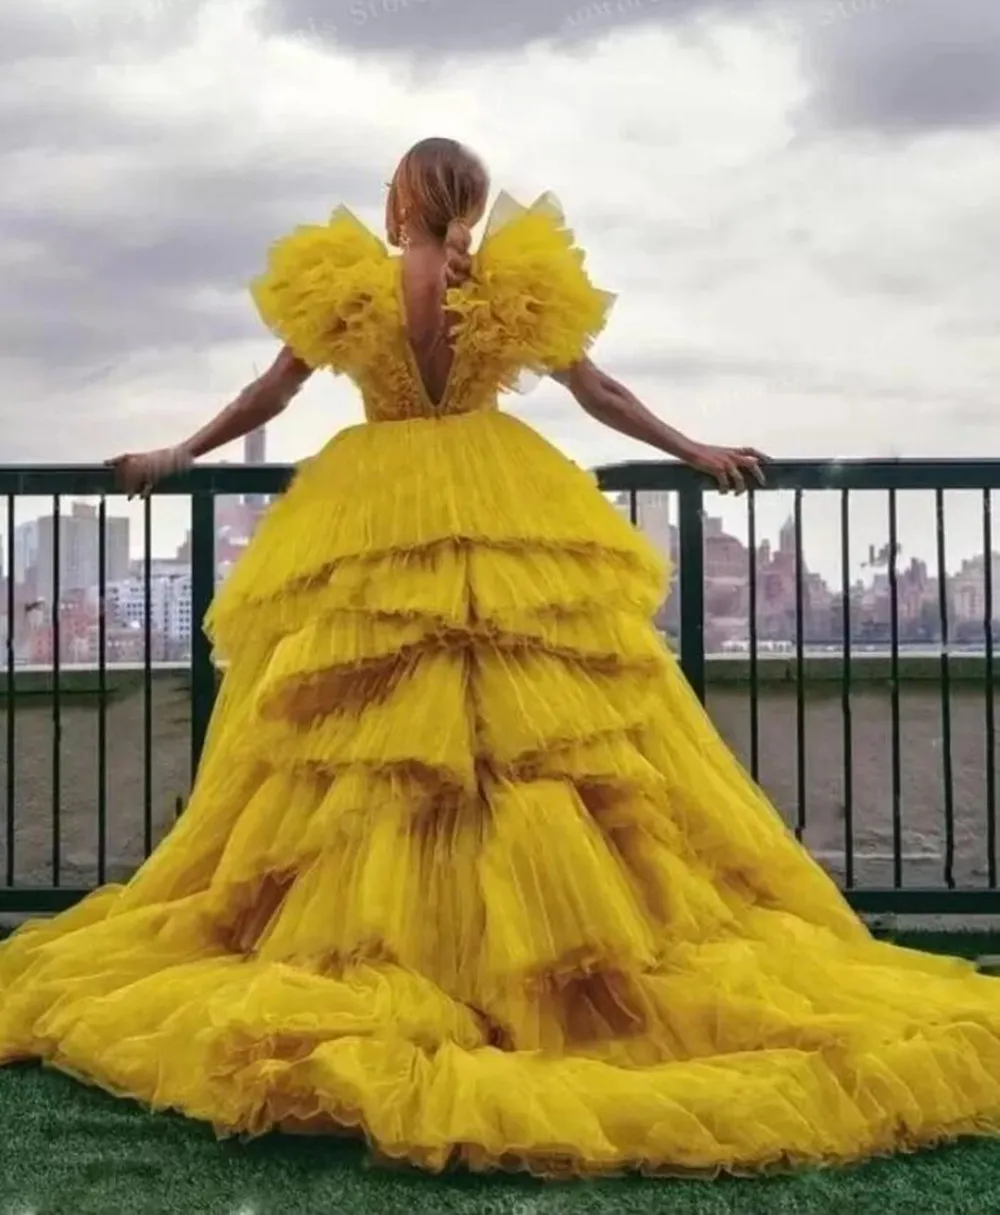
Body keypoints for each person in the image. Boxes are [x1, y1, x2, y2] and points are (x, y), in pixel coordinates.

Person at [2, 136, 999, 1178]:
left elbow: (270, 395)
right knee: (533, 742)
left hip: (374, 507)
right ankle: (544, 969)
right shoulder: (510, 283)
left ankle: (389, 948)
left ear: (400, 200)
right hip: (498, 488)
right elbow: (598, 393)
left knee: (371, 740)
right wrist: (695, 450)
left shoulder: (353, 284)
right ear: (469, 202)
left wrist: (175, 456)